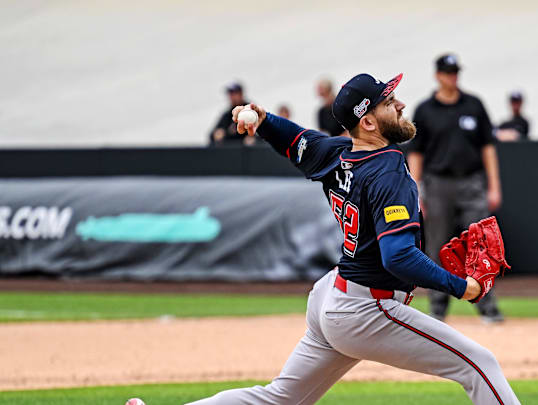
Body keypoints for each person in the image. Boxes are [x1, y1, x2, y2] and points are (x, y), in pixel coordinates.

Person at [185, 73, 520, 405]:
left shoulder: (338, 153)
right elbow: (398, 257)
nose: (401, 105)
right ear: (369, 123)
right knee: (479, 365)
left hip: (334, 296)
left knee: (279, 400)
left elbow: (296, 142)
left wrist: (264, 121)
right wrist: (463, 287)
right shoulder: (389, 174)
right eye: (389, 103)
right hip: (366, 310)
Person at [406, 54, 505, 323]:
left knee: (481, 247)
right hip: (438, 183)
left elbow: (488, 148)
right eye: (448, 72)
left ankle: (488, 307)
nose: (453, 77)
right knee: (437, 246)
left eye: (455, 72)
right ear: (437, 75)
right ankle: (437, 309)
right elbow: (416, 153)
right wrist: (415, 190)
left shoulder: (473, 105)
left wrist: (493, 186)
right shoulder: (425, 110)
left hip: (472, 182)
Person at [209, 82, 254, 146]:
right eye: (230, 94)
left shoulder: (251, 110)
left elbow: (264, 131)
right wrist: (217, 134)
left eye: (235, 93)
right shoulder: (228, 114)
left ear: (241, 94)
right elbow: (212, 135)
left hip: (249, 152)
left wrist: (254, 138)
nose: (232, 97)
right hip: (231, 152)